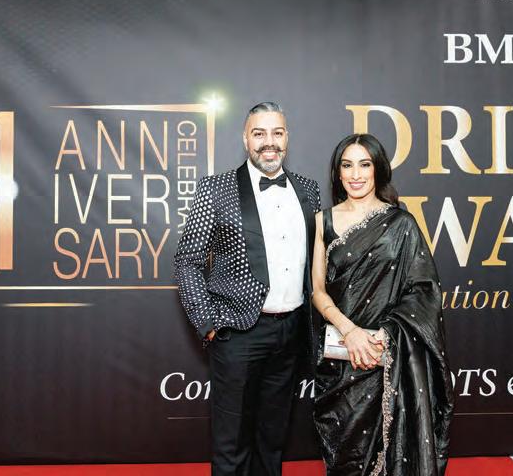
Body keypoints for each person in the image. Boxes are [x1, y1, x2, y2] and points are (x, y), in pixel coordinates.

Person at [174, 102, 321, 476]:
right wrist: (208, 323)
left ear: (287, 138)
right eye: (259, 133)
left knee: (273, 440)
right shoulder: (217, 188)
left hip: (291, 333)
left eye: (277, 133)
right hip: (237, 333)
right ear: (245, 139)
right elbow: (188, 260)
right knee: (232, 444)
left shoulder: (308, 190)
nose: (269, 142)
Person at [311, 133, 454, 475]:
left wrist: (385, 335)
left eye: (364, 165)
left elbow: (423, 291)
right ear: (337, 172)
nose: (355, 174)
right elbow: (317, 290)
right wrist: (350, 332)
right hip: (343, 354)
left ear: (378, 170)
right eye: (347, 165)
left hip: (384, 351)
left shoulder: (401, 223)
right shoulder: (323, 220)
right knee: (347, 455)